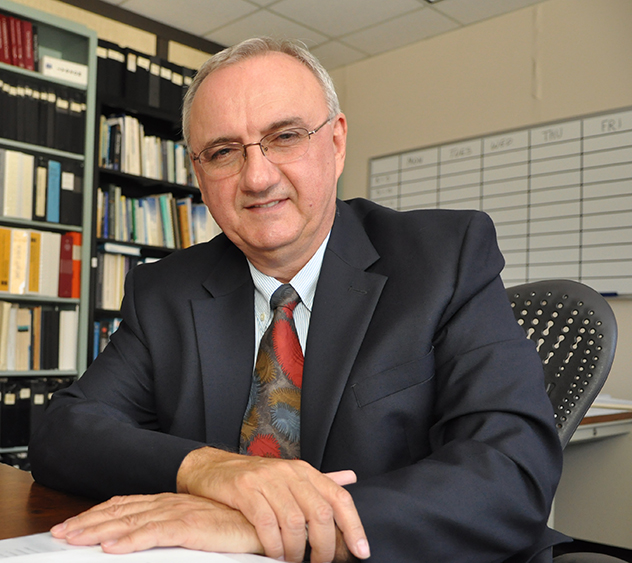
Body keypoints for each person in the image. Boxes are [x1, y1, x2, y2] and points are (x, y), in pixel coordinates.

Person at [28, 37, 564, 563]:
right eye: (222, 152)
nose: (257, 178)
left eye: (284, 136)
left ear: (336, 142)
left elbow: (510, 471)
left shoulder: (444, 259)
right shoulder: (166, 289)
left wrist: (263, 525)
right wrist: (205, 468)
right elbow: (63, 435)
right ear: (198, 175)